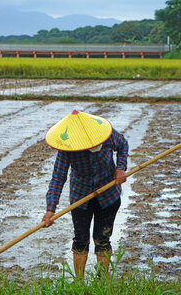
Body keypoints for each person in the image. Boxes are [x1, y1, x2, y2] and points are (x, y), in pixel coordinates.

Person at [42, 109, 128, 277]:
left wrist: (121, 168)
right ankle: (79, 284)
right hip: (80, 197)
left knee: (102, 238)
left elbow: (123, 145)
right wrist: (50, 210)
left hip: (109, 195)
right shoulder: (68, 148)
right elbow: (58, 178)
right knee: (81, 239)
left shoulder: (107, 134)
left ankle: (102, 281)